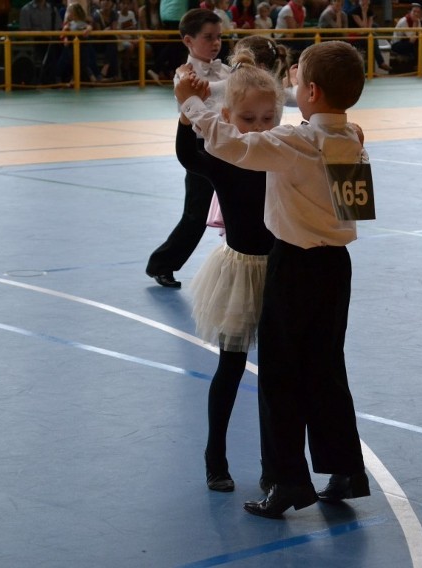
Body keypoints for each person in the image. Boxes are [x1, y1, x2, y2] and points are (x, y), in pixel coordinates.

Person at [175, 40, 371, 519]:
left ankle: (287, 481)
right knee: (327, 368)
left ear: (310, 91)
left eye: (297, 78)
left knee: (280, 377)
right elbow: (357, 208)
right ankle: (345, 469)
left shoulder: (297, 142)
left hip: (295, 266)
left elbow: (228, 145)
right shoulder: (354, 136)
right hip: (336, 267)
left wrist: (191, 103)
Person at [176, 43, 283, 493]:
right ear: (229, 118)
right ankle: (215, 456)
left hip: (282, 272)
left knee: (279, 377)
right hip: (240, 273)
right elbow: (188, 156)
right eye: (248, 120)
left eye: (267, 120)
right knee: (231, 368)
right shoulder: (226, 157)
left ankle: (274, 465)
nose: (258, 129)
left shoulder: (284, 151)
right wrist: (186, 114)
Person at [146, 8, 229, 289]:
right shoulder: (185, 76)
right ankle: (162, 264)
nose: (216, 43)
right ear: (188, 41)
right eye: (208, 37)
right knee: (196, 214)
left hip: (231, 145)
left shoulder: (225, 70)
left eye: (218, 37)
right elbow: (207, 94)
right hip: (199, 150)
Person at [19, 0, 63, 84]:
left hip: (53, 42)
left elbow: (59, 28)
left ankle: (60, 78)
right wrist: (41, 35)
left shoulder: (53, 9)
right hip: (36, 42)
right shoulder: (26, 10)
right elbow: (24, 31)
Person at [57, 1, 100, 84]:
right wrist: (65, 38)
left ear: (74, 14)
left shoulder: (81, 23)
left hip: (82, 48)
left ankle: (91, 78)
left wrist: (87, 30)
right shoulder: (69, 24)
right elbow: (63, 33)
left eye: (70, 12)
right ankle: (71, 78)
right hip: (71, 48)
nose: (68, 14)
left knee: (83, 63)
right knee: (71, 62)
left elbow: (89, 27)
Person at [348, 0, 390, 72]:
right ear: (360, 1)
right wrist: (364, 12)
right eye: (363, 0)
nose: (365, 2)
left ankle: (373, 68)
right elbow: (364, 27)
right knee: (372, 37)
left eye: (367, 0)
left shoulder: (370, 12)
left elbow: (368, 30)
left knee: (372, 36)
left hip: (364, 36)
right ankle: (380, 62)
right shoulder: (354, 12)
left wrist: (365, 30)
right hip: (354, 38)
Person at [391, 2, 422, 66]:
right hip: (397, 44)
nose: (416, 14)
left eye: (418, 12)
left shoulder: (418, 20)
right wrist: (415, 25)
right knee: (414, 45)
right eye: (414, 11)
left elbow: (420, 34)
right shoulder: (404, 21)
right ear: (410, 12)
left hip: (407, 42)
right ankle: (416, 66)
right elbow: (412, 39)